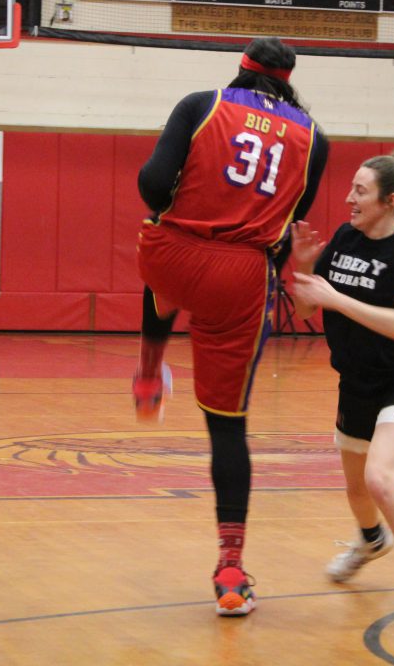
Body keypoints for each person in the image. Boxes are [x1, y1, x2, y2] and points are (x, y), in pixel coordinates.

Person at [133, 38, 329, 616]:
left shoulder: (202, 104)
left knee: (160, 250)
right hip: (241, 273)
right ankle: (231, 569)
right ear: (289, 83)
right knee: (227, 427)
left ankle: (148, 371)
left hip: (172, 252)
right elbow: (292, 219)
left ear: (240, 72)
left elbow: (152, 185)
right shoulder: (315, 136)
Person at [289, 147, 394, 634]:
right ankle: (369, 541)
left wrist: (335, 296)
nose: (349, 198)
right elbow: (305, 313)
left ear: (390, 200)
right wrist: (303, 267)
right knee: (357, 489)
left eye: (360, 191)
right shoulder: (344, 238)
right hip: (356, 384)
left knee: (382, 479)